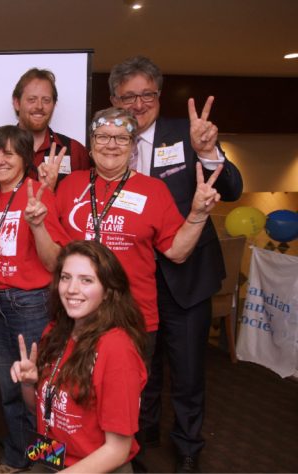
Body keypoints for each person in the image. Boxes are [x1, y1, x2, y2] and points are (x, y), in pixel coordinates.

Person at [108, 56, 243, 473]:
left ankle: (188, 446)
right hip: (134, 280)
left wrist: (207, 152)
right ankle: (141, 439)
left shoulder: (187, 136)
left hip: (186, 277)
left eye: (146, 94)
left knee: (187, 371)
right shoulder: (110, 144)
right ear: (114, 100)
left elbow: (233, 187)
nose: (137, 104)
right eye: (127, 96)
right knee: (139, 367)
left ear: (159, 96)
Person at [51, 107, 222, 356]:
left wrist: (198, 215)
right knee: (74, 391)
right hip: (75, 316)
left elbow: (177, 252)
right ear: (92, 143)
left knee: (127, 394)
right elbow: (52, 253)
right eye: (103, 136)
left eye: (122, 138)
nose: (112, 145)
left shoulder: (154, 190)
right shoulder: (68, 186)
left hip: (132, 319)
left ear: (133, 147)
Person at [0, 126, 70, 474]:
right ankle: (18, 461)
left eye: (9, 153)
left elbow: (53, 262)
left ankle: (49, 466)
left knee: (39, 393)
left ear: (25, 159)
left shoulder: (38, 195)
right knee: (11, 390)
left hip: (30, 304)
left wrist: (39, 226)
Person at [10, 240, 148, 472]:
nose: (72, 289)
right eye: (66, 277)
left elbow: (117, 450)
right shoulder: (56, 332)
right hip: (52, 458)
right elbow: (40, 410)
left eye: (86, 280)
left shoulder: (117, 350)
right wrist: (28, 383)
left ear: (108, 292)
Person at [0, 68, 90, 192]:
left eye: (46, 100)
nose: (39, 106)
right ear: (17, 103)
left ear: (54, 104)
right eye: (32, 99)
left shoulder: (75, 151)